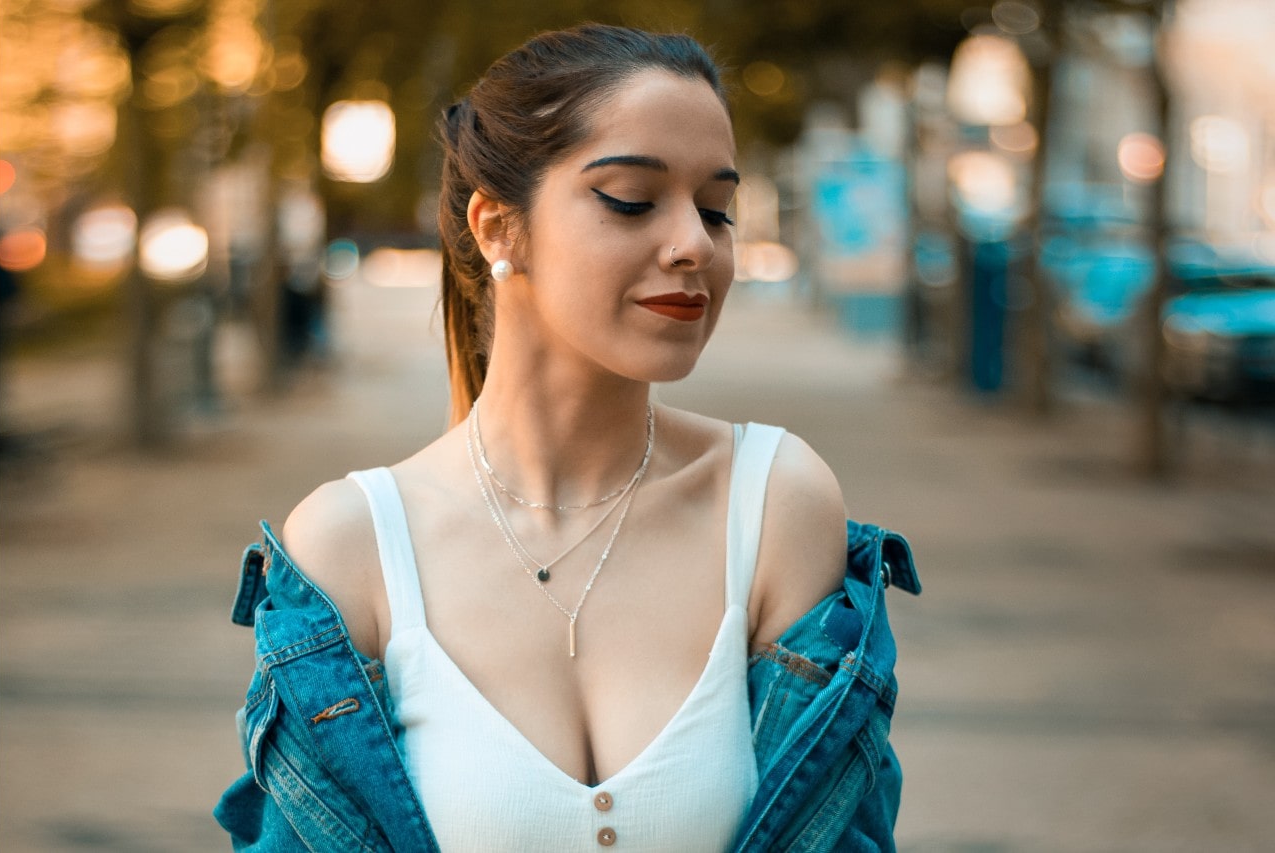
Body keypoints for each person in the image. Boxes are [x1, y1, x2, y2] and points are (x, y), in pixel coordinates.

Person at [215, 23, 921, 852]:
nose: (694, 243)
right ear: (497, 226)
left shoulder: (775, 502)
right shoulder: (352, 545)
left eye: (717, 209)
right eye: (631, 198)